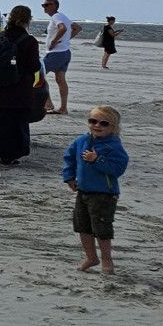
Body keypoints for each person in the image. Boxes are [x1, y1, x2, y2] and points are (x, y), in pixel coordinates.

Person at [64, 106, 129, 275]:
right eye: (93, 121)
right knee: (82, 226)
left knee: (102, 229)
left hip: (104, 194)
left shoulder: (114, 146)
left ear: (113, 127)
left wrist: (97, 160)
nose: (97, 125)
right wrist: (69, 177)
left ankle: (107, 260)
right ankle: (91, 257)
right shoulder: (81, 141)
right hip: (83, 191)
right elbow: (69, 158)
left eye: (103, 123)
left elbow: (118, 169)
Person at [0, 6, 43, 165]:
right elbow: (34, 66)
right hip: (19, 90)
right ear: (28, 20)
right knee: (16, 124)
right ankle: (9, 156)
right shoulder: (29, 41)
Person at [41, 0, 74, 115]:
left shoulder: (56, 17)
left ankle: (48, 104)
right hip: (65, 52)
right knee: (60, 80)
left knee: (38, 74)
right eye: (43, 5)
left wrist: (54, 41)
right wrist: (65, 40)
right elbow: (77, 28)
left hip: (56, 53)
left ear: (54, 6)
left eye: (47, 5)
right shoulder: (63, 16)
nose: (44, 7)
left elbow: (63, 28)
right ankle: (63, 108)